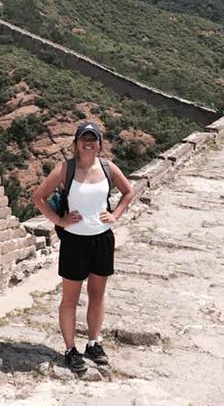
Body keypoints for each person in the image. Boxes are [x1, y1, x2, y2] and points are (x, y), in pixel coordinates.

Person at [32, 121, 136, 373]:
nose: (88, 143)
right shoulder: (65, 169)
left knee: (97, 294)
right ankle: (70, 349)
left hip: (101, 238)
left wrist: (116, 215)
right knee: (70, 297)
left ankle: (93, 342)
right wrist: (59, 220)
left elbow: (128, 192)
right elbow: (38, 197)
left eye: (93, 139)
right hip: (74, 240)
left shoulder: (108, 168)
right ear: (76, 143)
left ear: (100, 143)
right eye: (83, 139)